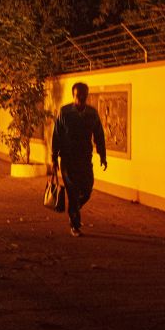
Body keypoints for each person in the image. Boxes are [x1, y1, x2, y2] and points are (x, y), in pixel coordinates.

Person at [51, 82, 107, 236]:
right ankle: (74, 224)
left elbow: (99, 136)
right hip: (68, 161)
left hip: (85, 160)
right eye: (77, 96)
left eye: (83, 95)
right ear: (73, 95)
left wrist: (103, 155)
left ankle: (74, 208)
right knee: (73, 191)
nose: (80, 98)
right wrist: (54, 157)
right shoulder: (65, 113)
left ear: (86, 96)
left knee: (87, 190)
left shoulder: (92, 114)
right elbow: (56, 136)